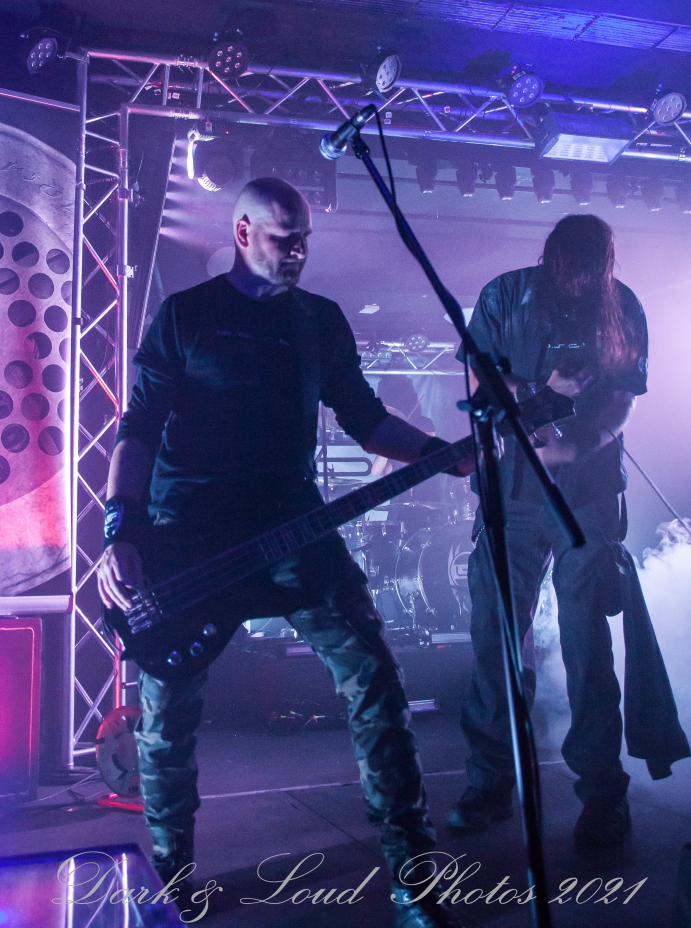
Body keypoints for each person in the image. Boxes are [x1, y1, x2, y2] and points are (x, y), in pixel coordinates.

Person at [97, 177, 466, 927]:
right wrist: (121, 529)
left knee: (375, 680)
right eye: (282, 238)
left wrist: (439, 453)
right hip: (188, 532)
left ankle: (413, 880)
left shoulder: (318, 320)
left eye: (304, 239)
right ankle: (172, 873)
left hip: (293, 528)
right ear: (242, 233)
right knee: (167, 715)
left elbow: (365, 418)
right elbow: (138, 426)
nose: (297, 251)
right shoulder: (187, 315)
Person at [448, 214, 650, 848]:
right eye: (574, 268)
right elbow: (480, 381)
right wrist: (544, 389)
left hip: (588, 498)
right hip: (512, 494)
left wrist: (580, 444)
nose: (583, 281)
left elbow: (625, 397)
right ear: (553, 257)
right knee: (497, 640)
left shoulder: (623, 306)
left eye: (595, 270)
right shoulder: (506, 294)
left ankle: (603, 795)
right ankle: (490, 781)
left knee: (587, 642)